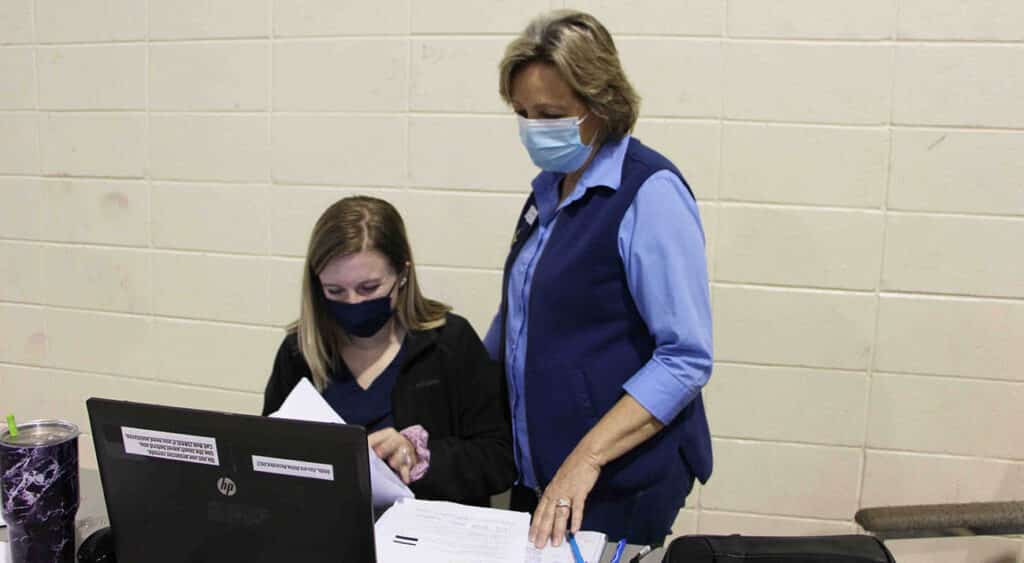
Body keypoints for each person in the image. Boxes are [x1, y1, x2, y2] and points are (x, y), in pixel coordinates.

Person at [484, 10, 714, 547]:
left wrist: (584, 459)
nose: (534, 129)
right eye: (523, 113)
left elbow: (685, 358)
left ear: (601, 104)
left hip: (616, 480)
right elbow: (516, 320)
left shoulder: (648, 192)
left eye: (551, 113)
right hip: (544, 474)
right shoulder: (547, 191)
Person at [262, 196, 516, 506]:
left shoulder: (450, 343)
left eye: (369, 288)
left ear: (402, 275)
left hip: (426, 538)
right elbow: (266, 459)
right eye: (335, 291)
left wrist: (419, 456)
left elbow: (499, 459)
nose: (354, 303)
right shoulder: (300, 352)